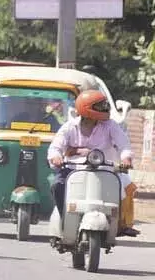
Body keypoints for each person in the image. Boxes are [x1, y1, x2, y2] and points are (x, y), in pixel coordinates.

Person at [47, 89, 139, 237]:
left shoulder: (110, 125)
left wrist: (126, 158)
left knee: (124, 187)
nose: (105, 109)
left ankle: (120, 224)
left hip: (105, 169)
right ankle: (65, 217)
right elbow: (56, 147)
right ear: (85, 108)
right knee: (57, 185)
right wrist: (56, 157)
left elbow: (124, 144)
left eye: (104, 105)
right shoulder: (70, 127)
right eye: (100, 106)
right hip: (73, 169)